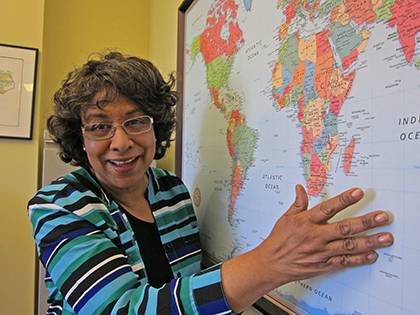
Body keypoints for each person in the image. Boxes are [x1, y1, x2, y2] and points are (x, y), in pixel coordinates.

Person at [28, 51, 394, 315]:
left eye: (136, 121)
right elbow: (118, 310)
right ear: (81, 138)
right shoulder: (58, 205)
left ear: (156, 126)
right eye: (100, 126)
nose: (121, 142)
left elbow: (187, 287)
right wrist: (271, 263)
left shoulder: (171, 191)